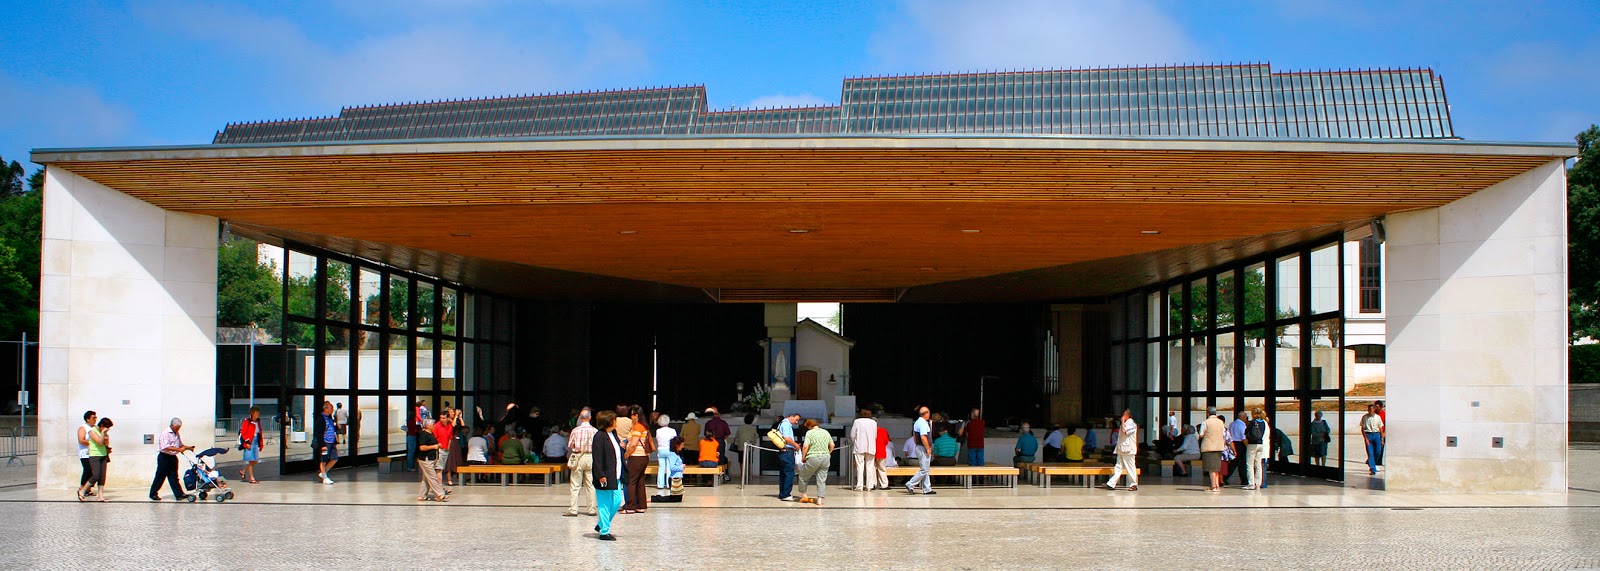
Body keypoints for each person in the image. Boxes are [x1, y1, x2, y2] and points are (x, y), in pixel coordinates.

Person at [590, 410, 624, 541]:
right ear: (608, 422)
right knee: (604, 503)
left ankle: (601, 524)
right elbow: (597, 458)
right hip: (604, 475)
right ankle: (604, 531)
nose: (616, 422)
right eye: (615, 420)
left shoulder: (613, 434)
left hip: (616, 474)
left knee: (617, 500)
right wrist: (600, 475)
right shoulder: (599, 436)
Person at [149, 417, 194, 501]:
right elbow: (165, 447)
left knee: (174, 476)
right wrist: (179, 449)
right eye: (177, 427)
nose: (178, 429)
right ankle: (153, 493)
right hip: (164, 457)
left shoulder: (176, 433)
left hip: (173, 457)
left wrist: (188, 447)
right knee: (160, 476)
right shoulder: (165, 433)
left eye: (179, 428)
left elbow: (180, 445)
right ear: (172, 425)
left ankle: (179, 494)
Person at [565, 408, 598, 517]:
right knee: (591, 485)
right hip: (591, 457)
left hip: (578, 457)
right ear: (590, 418)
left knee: (575, 484)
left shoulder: (575, 430)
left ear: (580, 417)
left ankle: (573, 509)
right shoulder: (595, 431)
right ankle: (591, 509)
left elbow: (570, 445)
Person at [796, 419, 835, 505]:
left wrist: (803, 457)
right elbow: (832, 445)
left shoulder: (809, 433)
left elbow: (805, 446)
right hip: (825, 458)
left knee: (803, 475)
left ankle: (803, 495)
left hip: (813, 457)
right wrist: (828, 453)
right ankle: (819, 500)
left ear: (809, 426)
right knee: (822, 479)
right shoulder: (825, 432)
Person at [622, 405, 651, 514]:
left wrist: (627, 454)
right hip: (644, 457)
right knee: (640, 482)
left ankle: (630, 506)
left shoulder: (637, 427)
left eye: (631, 415)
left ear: (636, 416)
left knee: (631, 481)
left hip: (636, 457)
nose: (630, 417)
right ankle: (641, 505)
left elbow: (633, 444)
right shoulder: (644, 426)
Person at [1103, 409, 1139, 491]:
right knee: (1118, 467)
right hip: (1122, 449)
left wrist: (1122, 422)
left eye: (1124, 415)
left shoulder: (1131, 424)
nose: (1122, 416)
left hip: (1128, 450)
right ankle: (1111, 483)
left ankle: (1133, 484)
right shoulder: (1125, 423)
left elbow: (1124, 431)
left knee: (1130, 467)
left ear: (1128, 415)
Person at [78, 417, 112, 502]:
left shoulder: (104, 432)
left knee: (102, 476)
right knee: (96, 475)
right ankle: (82, 490)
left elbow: (106, 443)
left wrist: (106, 437)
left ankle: (100, 496)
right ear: (102, 425)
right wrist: (102, 433)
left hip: (103, 454)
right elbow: (99, 442)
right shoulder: (92, 431)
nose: (108, 429)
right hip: (95, 455)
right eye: (107, 427)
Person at [904, 406, 935, 495]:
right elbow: (923, 436)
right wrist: (927, 448)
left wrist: (918, 445)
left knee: (926, 469)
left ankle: (927, 488)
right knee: (924, 469)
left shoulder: (917, 422)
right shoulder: (923, 423)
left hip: (919, 446)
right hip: (923, 448)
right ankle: (910, 484)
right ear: (926, 414)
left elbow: (915, 437)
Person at [416, 417, 448, 502]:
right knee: (432, 477)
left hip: (432, 458)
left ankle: (422, 495)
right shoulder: (423, 434)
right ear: (427, 425)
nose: (434, 426)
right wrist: (434, 446)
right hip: (425, 459)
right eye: (432, 424)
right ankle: (440, 494)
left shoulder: (431, 433)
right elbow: (422, 447)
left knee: (426, 478)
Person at [1199, 407, 1228, 493]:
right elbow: (1224, 433)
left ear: (1207, 413)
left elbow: (1201, 434)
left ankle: (1213, 486)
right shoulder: (1221, 422)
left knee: (1211, 468)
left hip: (1209, 447)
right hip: (1219, 447)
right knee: (1216, 468)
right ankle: (1217, 485)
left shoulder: (1205, 422)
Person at [849, 408, 878, 491]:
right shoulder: (873, 423)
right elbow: (875, 435)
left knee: (860, 466)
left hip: (859, 446)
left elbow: (852, 434)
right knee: (870, 467)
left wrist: (854, 441)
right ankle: (869, 486)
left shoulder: (857, 422)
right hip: (870, 446)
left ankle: (859, 486)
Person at [778, 412, 802, 501]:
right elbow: (787, 438)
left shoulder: (782, 423)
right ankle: (786, 494)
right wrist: (795, 445)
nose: (796, 422)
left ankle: (783, 493)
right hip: (787, 452)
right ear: (791, 416)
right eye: (796, 420)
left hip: (784, 451)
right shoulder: (786, 424)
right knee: (789, 473)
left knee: (784, 473)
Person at [239, 406, 263, 484]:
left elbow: (260, 433)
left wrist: (261, 444)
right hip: (250, 442)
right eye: (256, 412)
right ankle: (252, 478)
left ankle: (243, 471)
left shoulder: (258, 422)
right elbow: (243, 433)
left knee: (255, 460)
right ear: (253, 413)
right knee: (251, 459)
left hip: (256, 441)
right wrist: (247, 442)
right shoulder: (247, 421)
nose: (258, 414)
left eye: (258, 412)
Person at [317, 401, 339, 484]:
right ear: (325, 408)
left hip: (331, 441)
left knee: (334, 458)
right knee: (323, 460)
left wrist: (337, 427)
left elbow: (332, 428)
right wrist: (322, 444)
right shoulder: (321, 419)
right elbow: (318, 433)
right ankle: (325, 477)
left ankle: (324, 473)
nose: (332, 410)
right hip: (325, 442)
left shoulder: (330, 418)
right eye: (331, 408)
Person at [654, 414, 677, 493]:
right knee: (669, 467)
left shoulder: (658, 431)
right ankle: (668, 484)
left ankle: (660, 484)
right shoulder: (672, 430)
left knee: (661, 468)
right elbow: (675, 440)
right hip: (669, 449)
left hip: (661, 449)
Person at [77, 410, 97, 496]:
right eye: (93, 418)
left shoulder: (94, 428)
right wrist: (93, 442)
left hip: (93, 453)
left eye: (96, 417)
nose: (95, 419)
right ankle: (82, 487)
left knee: (93, 471)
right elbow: (81, 440)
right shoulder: (83, 428)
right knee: (87, 470)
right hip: (85, 453)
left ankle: (88, 489)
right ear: (88, 419)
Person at [1361, 404, 1385, 476]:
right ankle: (1372, 468)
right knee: (1370, 452)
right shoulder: (1365, 417)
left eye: (1371, 409)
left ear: (1374, 409)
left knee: (1378, 451)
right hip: (1368, 435)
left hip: (1376, 435)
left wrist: (1382, 438)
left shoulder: (1378, 417)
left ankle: (1370, 461)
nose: (1369, 411)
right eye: (1368, 410)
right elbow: (1362, 429)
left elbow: (1380, 428)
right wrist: (1366, 438)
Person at [1251, 411, 1272, 490]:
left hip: (1262, 446)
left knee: (1261, 465)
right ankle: (1262, 482)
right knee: (1262, 465)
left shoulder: (1262, 424)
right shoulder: (1265, 424)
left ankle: (1262, 482)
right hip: (1263, 447)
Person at [1225, 412, 1247, 486]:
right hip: (1240, 444)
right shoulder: (1242, 425)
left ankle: (1225, 477)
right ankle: (1244, 480)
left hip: (1232, 443)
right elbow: (1243, 437)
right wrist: (1247, 446)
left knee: (1232, 463)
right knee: (1242, 463)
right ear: (1243, 417)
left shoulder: (1232, 424)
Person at [874, 424, 893, 489]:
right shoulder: (883, 430)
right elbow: (886, 441)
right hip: (881, 451)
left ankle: (873, 484)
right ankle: (884, 484)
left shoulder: (870, 430)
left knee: (872, 469)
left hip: (872, 451)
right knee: (882, 469)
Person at [1374, 401, 1387, 470]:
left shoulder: (1384, 414)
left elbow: (1387, 424)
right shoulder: (1373, 413)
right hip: (1374, 432)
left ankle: (1378, 461)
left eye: (1377, 406)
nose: (1375, 408)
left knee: (1380, 448)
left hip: (1382, 433)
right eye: (1375, 406)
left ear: (1381, 407)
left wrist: (1384, 433)